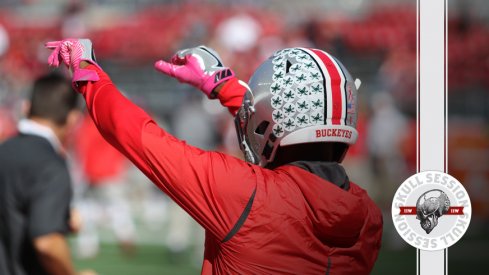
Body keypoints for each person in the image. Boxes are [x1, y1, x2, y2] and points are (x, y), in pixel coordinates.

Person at [46, 39, 382, 274]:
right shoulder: (368, 218)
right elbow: (287, 133)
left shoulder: (245, 194)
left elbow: (136, 135)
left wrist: (86, 70)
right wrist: (226, 87)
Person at [0, 73, 83, 275]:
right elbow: (47, 243)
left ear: (26, 108)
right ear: (72, 118)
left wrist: (61, 218)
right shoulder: (51, 165)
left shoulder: (3, 150)